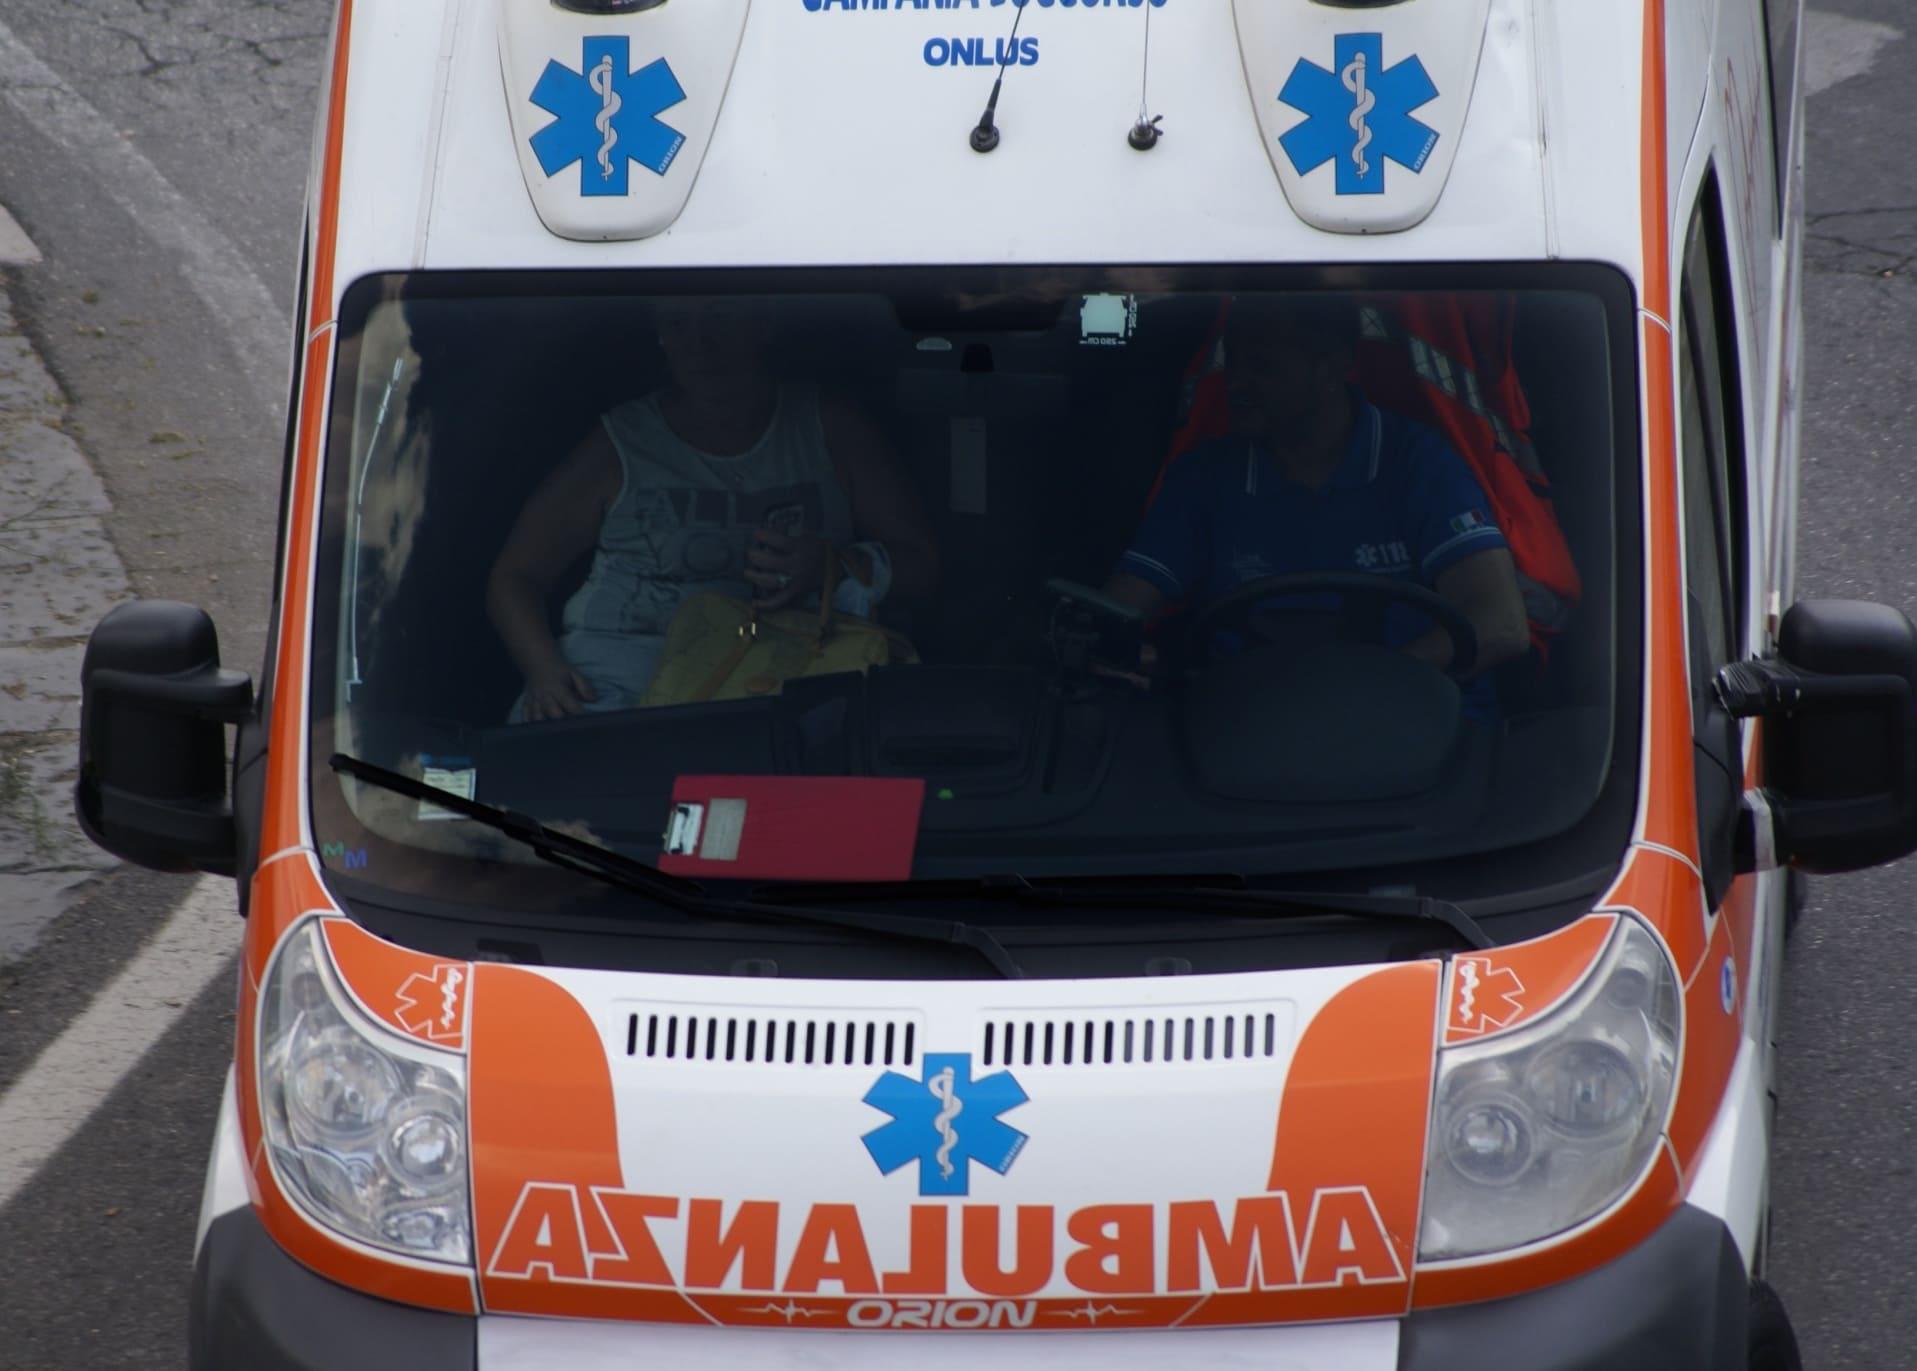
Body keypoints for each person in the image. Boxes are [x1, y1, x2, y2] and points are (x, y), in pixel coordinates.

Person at [488, 298, 938, 720]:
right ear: (661, 336)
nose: (700, 343)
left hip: (778, 685)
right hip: (617, 688)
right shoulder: (623, 441)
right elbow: (515, 577)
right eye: (678, 324)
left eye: (720, 319)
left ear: (764, 324)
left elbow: (924, 566)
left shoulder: (829, 426)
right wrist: (544, 672)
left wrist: (835, 566)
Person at [1105, 295, 1529, 710]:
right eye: (1232, 360)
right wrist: (1108, 645)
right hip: (1247, 732)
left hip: (1411, 726)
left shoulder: (1419, 462)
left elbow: (1501, 625)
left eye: (1262, 367)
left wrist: (1356, 690)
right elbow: (1122, 606)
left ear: (1331, 368)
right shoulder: (1204, 476)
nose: (1233, 383)